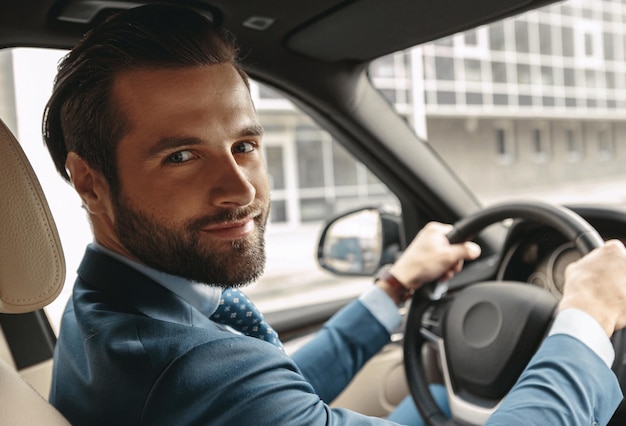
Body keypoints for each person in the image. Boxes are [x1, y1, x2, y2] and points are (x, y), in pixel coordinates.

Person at [43, 4, 625, 425]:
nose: (238, 187)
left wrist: (394, 287)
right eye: (181, 155)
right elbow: (240, 391)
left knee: (445, 404)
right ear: (89, 181)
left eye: (244, 145)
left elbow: (273, 394)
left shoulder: (104, 305)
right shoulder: (183, 366)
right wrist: (586, 316)